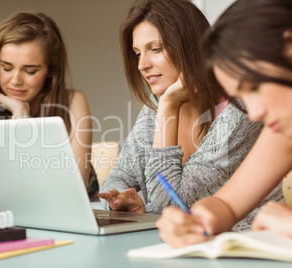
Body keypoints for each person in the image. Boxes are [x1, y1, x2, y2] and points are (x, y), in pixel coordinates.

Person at [98, 0, 283, 231]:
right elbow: (226, 206)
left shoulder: (241, 111)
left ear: (191, 48)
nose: (141, 65)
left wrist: (167, 106)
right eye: (137, 53)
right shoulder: (155, 108)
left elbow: (169, 203)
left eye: (155, 49)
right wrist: (124, 201)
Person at [157, 0, 292, 247]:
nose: (254, 114)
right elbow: (228, 204)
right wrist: (198, 220)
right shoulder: (285, 132)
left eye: (254, 87)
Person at [0, 11, 93, 205]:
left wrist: (22, 118)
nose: (16, 80)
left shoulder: (74, 101)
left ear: (50, 70)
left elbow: (75, 189)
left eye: (30, 71)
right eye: (7, 68)